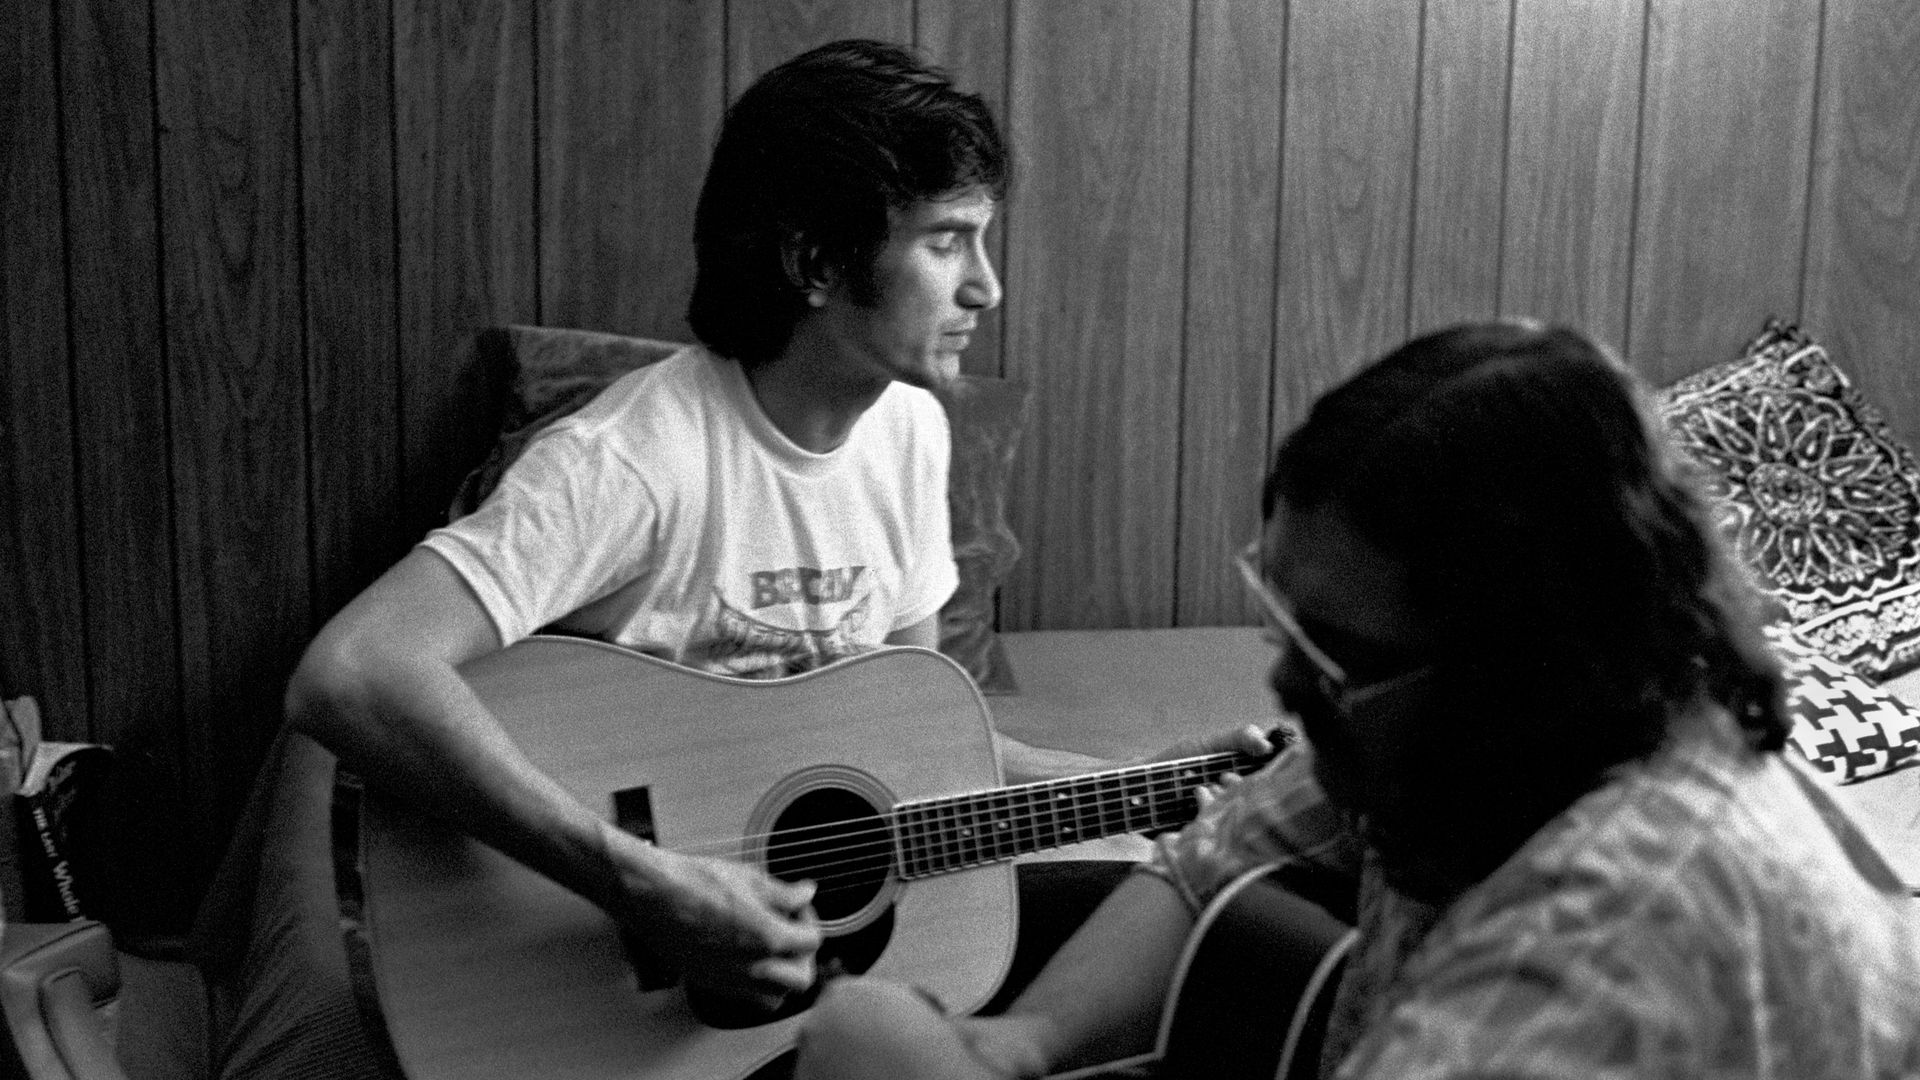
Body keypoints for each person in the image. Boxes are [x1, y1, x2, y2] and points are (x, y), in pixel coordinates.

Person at [285, 37, 1258, 1026]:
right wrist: (643, 884)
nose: (986, 288)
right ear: (816, 262)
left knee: (1208, 935)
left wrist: (1145, 789)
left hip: (793, 954)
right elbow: (352, 672)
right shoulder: (634, 460)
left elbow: (917, 750)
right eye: (946, 241)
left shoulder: (913, 432)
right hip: (602, 978)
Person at [793, 321, 1920, 1079]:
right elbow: (1219, 853)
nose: (1290, 683)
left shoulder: (1605, 940)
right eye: (1279, 617)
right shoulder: (1464, 740)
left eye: (1331, 648)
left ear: (1518, 656)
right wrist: (1020, 1044)